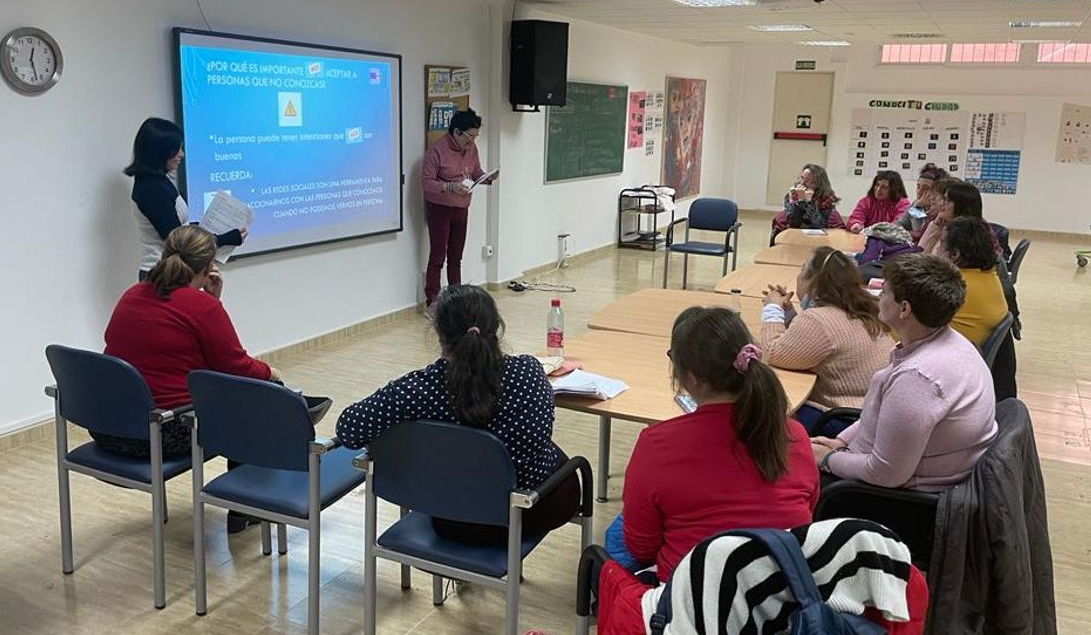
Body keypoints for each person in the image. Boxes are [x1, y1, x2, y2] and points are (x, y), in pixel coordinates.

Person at [336, 284, 579, 544]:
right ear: (496, 326)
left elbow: (348, 429)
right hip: (533, 511)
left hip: (454, 518)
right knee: (553, 454)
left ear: (438, 332)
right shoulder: (529, 373)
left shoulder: (417, 390)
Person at [606, 307, 819, 583]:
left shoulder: (657, 444)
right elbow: (807, 510)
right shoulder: (794, 434)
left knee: (616, 536)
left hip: (692, 605)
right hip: (780, 595)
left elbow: (642, 548)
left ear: (692, 377)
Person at [101, 226, 280, 533]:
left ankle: (246, 503)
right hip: (162, 433)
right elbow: (235, 368)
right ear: (210, 266)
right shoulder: (201, 308)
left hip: (108, 427)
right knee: (263, 397)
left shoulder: (132, 294)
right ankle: (245, 507)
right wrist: (271, 374)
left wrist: (211, 302)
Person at [810, 254, 998, 492]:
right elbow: (884, 417)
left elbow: (885, 473)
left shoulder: (918, 380)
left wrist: (827, 459)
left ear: (904, 309)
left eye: (885, 292)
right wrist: (840, 442)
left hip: (885, 497)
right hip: (893, 470)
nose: (879, 297)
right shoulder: (950, 342)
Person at [759, 247, 896, 431]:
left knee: (762, 414)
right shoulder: (859, 308)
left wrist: (772, 309)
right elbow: (804, 344)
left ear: (813, 281)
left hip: (842, 419)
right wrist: (788, 312)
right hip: (871, 413)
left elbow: (774, 353)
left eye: (802, 270)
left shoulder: (819, 319)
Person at [127, 118, 245, 280]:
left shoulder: (157, 182)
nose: (181, 154)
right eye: (177, 149)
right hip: (162, 275)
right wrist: (224, 239)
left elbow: (180, 226)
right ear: (160, 152)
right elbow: (180, 243)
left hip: (169, 272)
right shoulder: (151, 189)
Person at [420, 109, 495, 315]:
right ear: (456, 132)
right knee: (438, 256)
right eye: (469, 136)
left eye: (475, 136)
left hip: (462, 208)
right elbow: (426, 182)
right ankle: (432, 302)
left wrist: (485, 177)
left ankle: (456, 300)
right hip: (440, 208)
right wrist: (449, 187)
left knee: (456, 256)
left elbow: (475, 171)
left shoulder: (472, 149)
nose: (472, 141)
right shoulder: (437, 150)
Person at [944, 217, 1010, 347]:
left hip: (952, 355)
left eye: (941, 245)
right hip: (970, 353)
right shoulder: (989, 274)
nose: (937, 250)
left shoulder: (954, 286)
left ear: (955, 254)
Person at [770, 164, 845, 243]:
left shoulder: (826, 200)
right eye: (802, 178)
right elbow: (794, 223)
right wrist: (800, 201)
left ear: (818, 184)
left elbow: (819, 225)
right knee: (780, 220)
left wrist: (809, 203)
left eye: (809, 181)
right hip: (796, 230)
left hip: (819, 232)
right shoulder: (792, 195)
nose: (802, 183)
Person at [896, 164, 945, 243]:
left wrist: (918, 208)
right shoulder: (915, 203)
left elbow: (920, 233)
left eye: (925, 188)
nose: (919, 191)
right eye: (918, 186)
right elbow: (899, 224)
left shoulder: (938, 209)